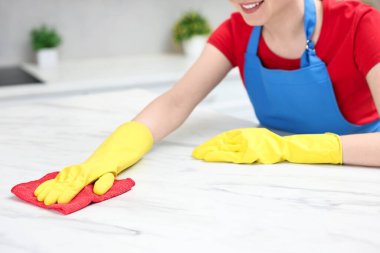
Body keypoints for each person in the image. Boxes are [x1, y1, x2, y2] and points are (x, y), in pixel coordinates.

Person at [34, 0, 380, 206]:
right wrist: (110, 154)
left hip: (358, 184)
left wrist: (289, 148)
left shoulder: (361, 25)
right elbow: (175, 102)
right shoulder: (237, 31)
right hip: (273, 184)